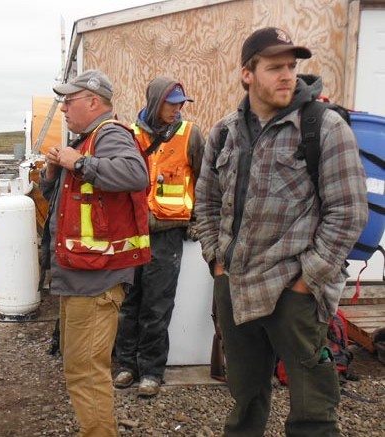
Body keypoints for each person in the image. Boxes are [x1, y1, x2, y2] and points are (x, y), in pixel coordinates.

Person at [195, 27, 368, 436]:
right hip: (234, 284)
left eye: (292, 66)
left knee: (313, 412)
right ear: (247, 74)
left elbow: (348, 212)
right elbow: (205, 201)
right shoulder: (225, 132)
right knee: (245, 399)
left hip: (294, 290)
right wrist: (216, 260)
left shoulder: (324, 128)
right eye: (274, 67)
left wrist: (308, 280)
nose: (287, 75)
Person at [40, 69, 150, 436]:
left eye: (69, 102)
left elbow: (135, 174)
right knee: (79, 372)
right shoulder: (85, 141)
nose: (64, 110)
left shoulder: (110, 134)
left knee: (87, 375)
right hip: (78, 276)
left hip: (96, 280)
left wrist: (78, 163)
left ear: (93, 101)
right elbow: (64, 203)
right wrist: (55, 171)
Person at [114, 78, 204, 396]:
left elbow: (206, 181)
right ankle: (125, 365)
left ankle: (151, 371)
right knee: (128, 302)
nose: (178, 108)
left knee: (157, 305)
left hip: (167, 234)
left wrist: (199, 221)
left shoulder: (191, 135)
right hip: (132, 231)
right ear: (154, 102)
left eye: (181, 103)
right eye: (171, 102)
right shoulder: (129, 135)